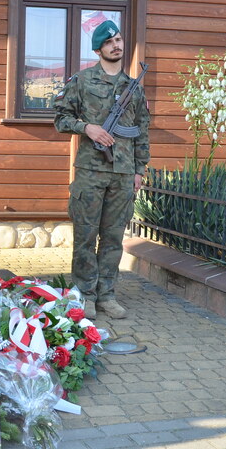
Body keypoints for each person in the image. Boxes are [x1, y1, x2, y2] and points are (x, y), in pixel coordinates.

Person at [53, 20, 150, 320]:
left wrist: (139, 170)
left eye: (119, 40)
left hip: (122, 173)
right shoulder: (81, 81)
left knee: (112, 237)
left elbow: (142, 131)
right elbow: (60, 118)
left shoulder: (132, 87)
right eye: (109, 42)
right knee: (85, 235)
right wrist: (88, 128)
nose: (115, 45)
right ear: (98, 49)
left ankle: (107, 294)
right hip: (90, 172)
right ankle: (84, 295)